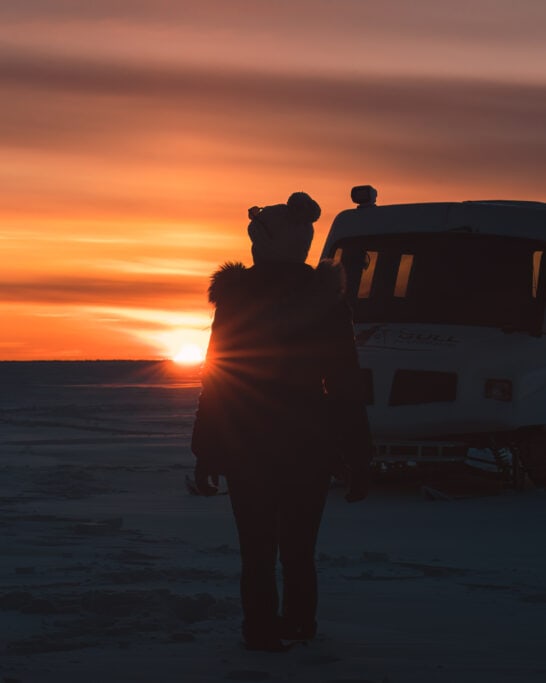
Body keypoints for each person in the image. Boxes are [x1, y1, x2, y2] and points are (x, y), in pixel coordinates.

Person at [191, 191, 373, 652]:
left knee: (257, 550)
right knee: (297, 548)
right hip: (306, 444)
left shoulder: (236, 299)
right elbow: (345, 385)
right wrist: (358, 454)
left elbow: (219, 377)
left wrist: (206, 450)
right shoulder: (326, 298)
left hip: (248, 443)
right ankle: (297, 623)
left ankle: (261, 629)